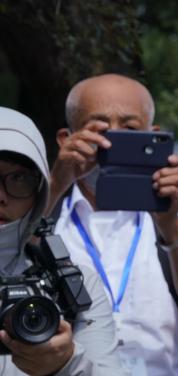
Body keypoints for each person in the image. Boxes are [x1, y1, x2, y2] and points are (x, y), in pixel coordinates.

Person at [49, 74, 178, 375]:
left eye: (131, 130)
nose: (112, 141)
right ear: (66, 139)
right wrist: (55, 184)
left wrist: (170, 225)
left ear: (153, 135)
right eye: (98, 129)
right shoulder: (44, 225)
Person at [0, 106, 121, 375]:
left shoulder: (73, 286)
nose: (1, 197)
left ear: (39, 191)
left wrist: (65, 364)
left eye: (19, 178)